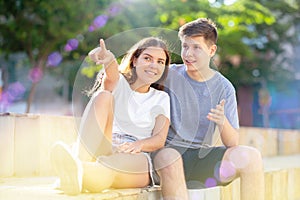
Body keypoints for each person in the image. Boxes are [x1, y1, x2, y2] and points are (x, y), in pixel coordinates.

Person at [152, 18, 265, 200]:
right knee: (170, 158)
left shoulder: (224, 87)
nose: (188, 53)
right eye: (185, 46)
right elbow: (133, 78)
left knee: (251, 157)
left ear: (211, 50)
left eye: (196, 47)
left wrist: (222, 122)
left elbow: (233, 142)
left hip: (201, 158)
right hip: (168, 156)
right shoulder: (168, 75)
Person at [50, 37, 171, 195]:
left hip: (136, 156)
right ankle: (80, 164)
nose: (154, 65)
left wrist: (138, 145)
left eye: (160, 61)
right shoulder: (120, 83)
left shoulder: (161, 98)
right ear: (134, 60)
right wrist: (109, 60)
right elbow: (112, 75)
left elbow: (159, 139)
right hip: (105, 144)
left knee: (109, 166)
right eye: (147, 58)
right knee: (104, 96)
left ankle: (76, 172)